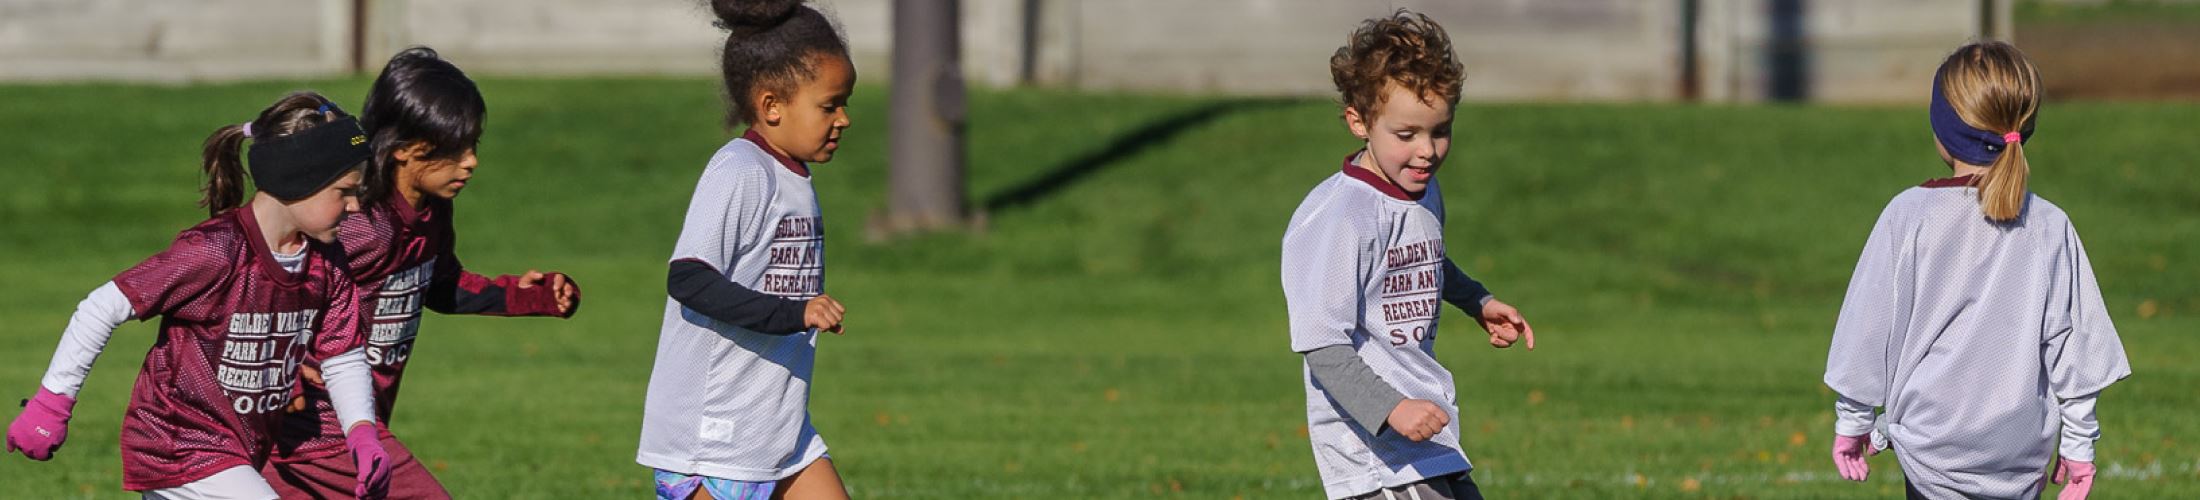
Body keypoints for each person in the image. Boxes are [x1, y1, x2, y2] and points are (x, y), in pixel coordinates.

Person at [6, 92, 392, 500]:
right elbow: (103, 306)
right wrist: (52, 403)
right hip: (179, 443)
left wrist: (362, 434)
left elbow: (342, 354)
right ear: (298, 180)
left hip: (239, 451)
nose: (354, 207)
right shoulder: (216, 251)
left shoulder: (326, 263)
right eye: (344, 192)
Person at [261, 47, 580, 500]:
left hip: (355, 423)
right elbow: (271, 287)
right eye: (455, 149)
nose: (471, 161)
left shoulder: (432, 213)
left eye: (474, 145)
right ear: (406, 150)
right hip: (313, 421)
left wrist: (529, 297)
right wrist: (280, 370)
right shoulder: (358, 223)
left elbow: (441, 284)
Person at [1823, 41, 2130, 500]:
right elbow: (2077, 349)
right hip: (2020, 455)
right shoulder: (2049, 225)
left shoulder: (1908, 216)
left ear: (1943, 129)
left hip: (1932, 453)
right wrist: (2079, 446)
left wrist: (1853, 421)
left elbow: (1868, 330)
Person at [1281, 9, 1537, 500]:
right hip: (1373, 448)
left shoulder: (1422, 192)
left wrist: (1477, 302)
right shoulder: (1339, 219)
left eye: (1440, 131)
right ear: (1359, 122)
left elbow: (1422, 259)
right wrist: (1390, 408)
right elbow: (1323, 346)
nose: (1427, 152)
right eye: (1406, 135)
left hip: (1427, 431)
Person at [637, 0, 854, 498]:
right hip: (715, 433)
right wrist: (794, 313)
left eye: (845, 103)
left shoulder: (794, 177)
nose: (843, 119)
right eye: (829, 105)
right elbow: (688, 279)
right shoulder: (739, 170)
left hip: (777, 426)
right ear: (772, 105)